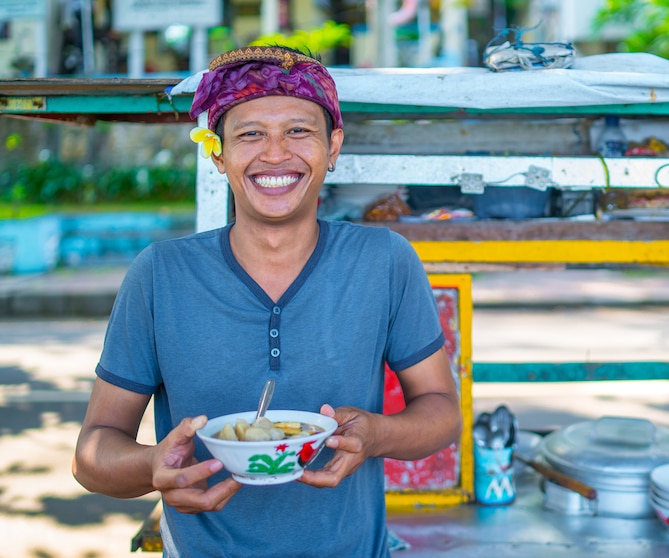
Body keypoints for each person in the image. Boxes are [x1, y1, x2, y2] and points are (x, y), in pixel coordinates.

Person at [72, 46, 463, 557]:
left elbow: (441, 412)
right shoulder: (161, 274)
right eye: (250, 134)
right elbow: (92, 452)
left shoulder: (383, 260)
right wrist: (151, 467)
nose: (275, 154)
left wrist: (376, 435)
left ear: (334, 146)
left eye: (298, 131)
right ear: (218, 153)